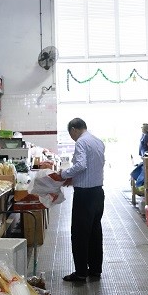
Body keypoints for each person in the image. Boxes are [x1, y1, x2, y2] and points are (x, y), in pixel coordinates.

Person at [58, 117, 106, 283]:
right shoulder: (98, 141)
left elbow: (81, 165)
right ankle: (95, 270)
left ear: (74, 129)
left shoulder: (81, 142)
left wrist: (63, 174)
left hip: (85, 196)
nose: (72, 137)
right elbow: (93, 167)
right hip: (98, 193)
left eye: (70, 134)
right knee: (95, 232)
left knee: (79, 233)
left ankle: (80, 273)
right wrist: (75, 179)